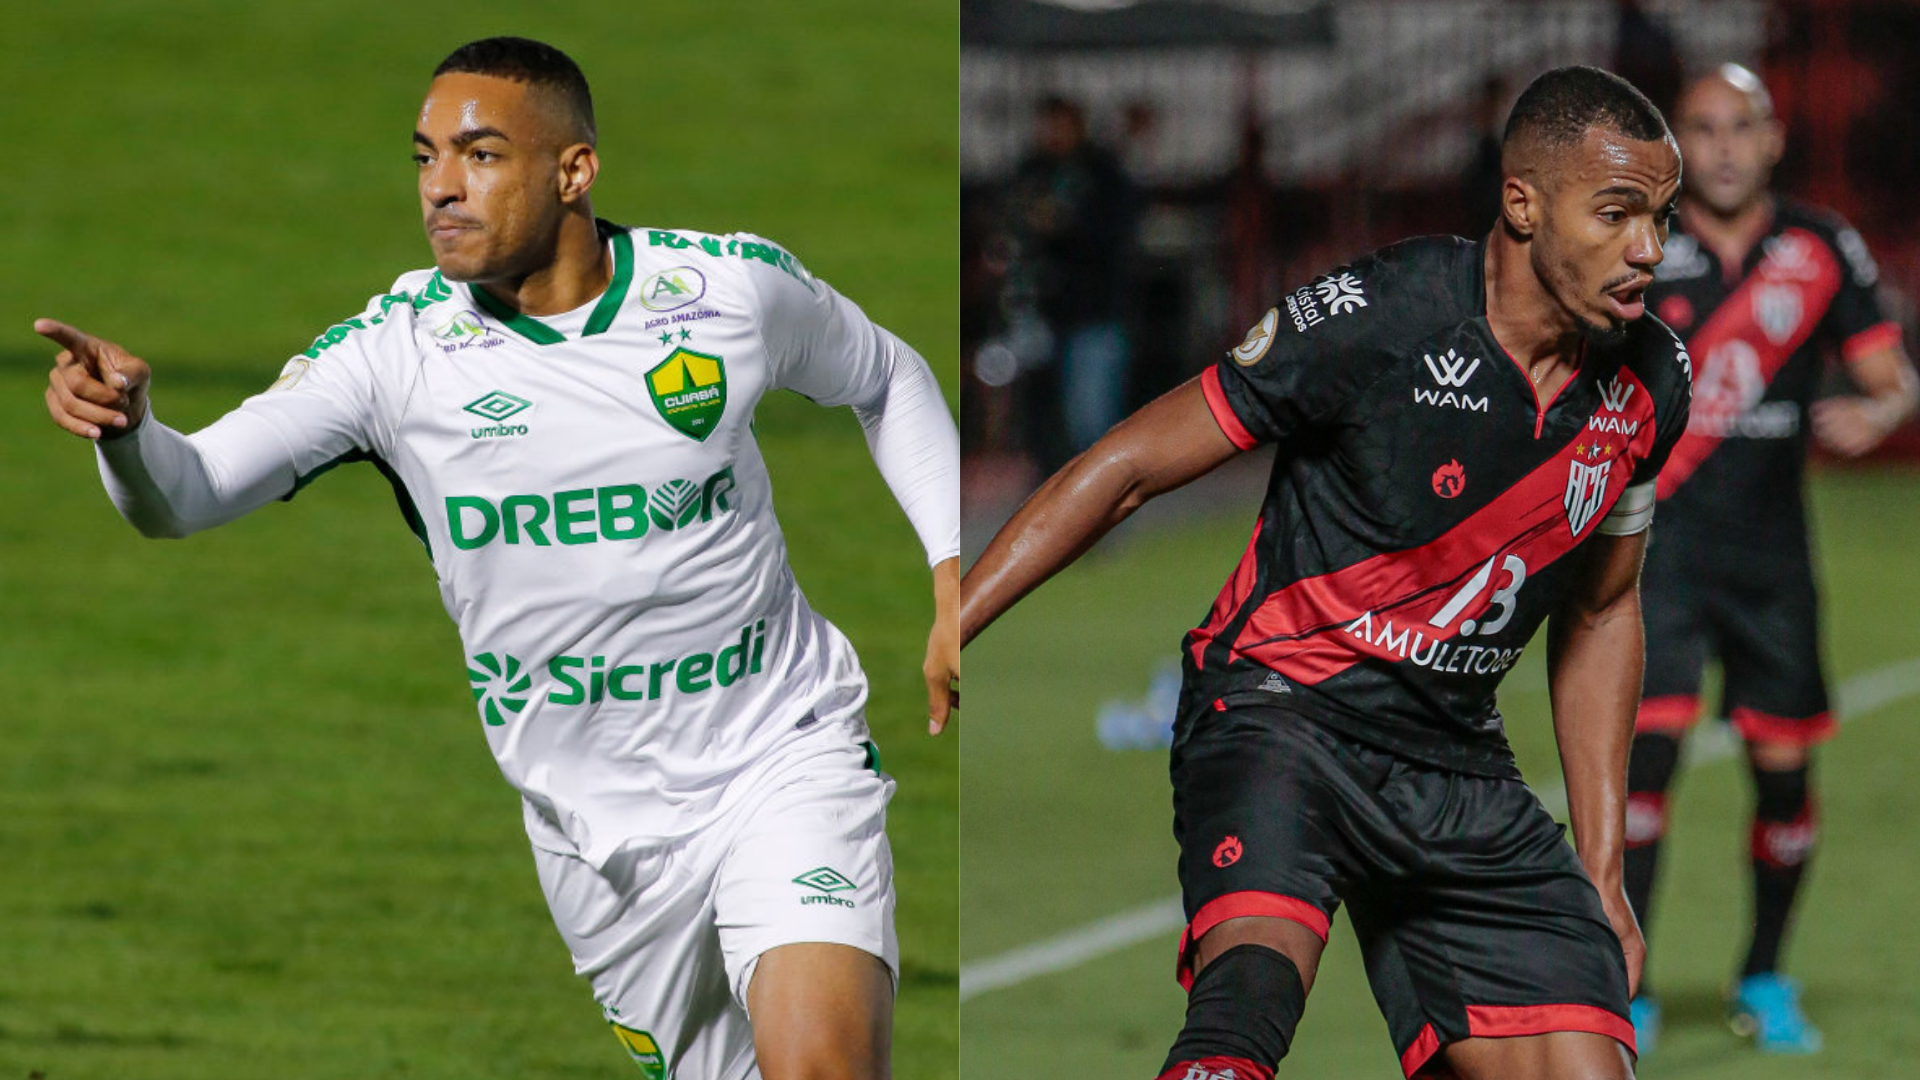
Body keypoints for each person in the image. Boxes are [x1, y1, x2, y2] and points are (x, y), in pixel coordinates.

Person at [38, 37, 959, 1080]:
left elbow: (888, 376)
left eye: (479, 156)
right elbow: (185, 496)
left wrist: (949, 571)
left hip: (778, 757)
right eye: (425, 157)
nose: (440, 188)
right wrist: (127, 430)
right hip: (595, 838)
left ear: (575, 172)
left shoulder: (727, 292)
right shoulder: (391, 358)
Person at [962, 66, 1690, 1080]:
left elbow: (1605, 615)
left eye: (1659, 217)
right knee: (1247, 1008)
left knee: (1582, 1068)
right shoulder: (1380, 316)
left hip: (1454, 759)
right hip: (1281, 711)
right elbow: (1127, 468)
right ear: (1523, 203)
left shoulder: (1653, 381)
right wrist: (952, 620)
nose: (1648, 249)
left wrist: (1604, 871)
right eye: (1617, 214)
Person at [1622, 63, 1918, 1056]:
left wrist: (1878, 411)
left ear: (1773, 138)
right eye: (1701, 128)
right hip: (1657, 553)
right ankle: (1631, 988)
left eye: (1739, 127)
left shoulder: (1820, 246)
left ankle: (1764, 976)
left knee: (1783, 778)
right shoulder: (1641, 240)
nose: (1720, 147)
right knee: (1640, 779)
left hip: (1773, 561)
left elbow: (1891, 379)